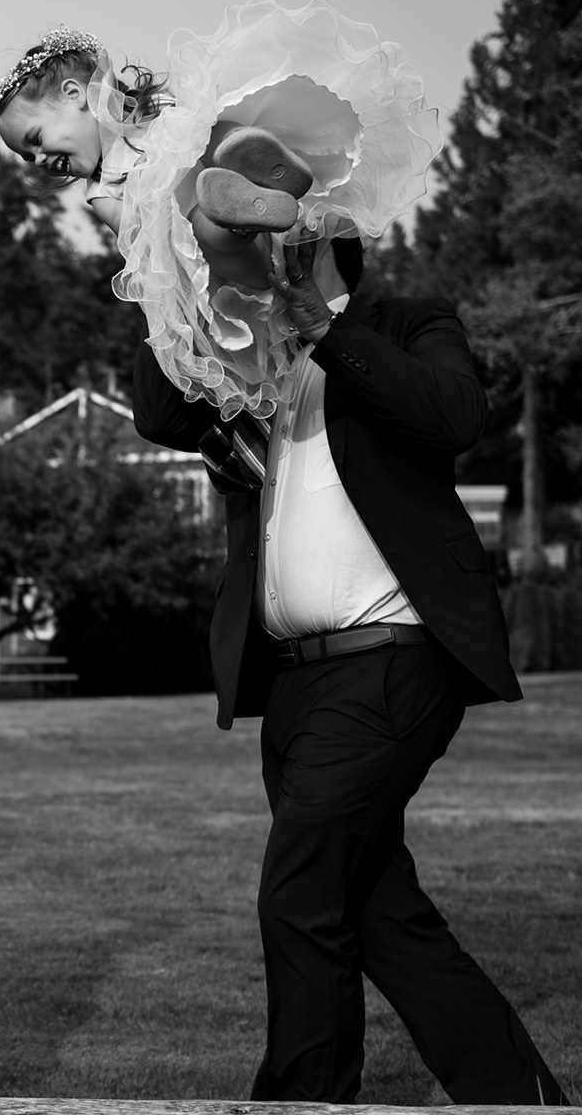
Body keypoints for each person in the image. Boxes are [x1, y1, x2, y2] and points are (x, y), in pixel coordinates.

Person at [130, 232, 570, 1105]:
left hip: (391, 662)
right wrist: (160, 277)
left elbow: (454, 416)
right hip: (293, 684)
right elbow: (160, 417)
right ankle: (520, 1101)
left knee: (297, 899)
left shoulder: (409, 325)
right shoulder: (246, 358)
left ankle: (302, 1102)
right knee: (381, 917)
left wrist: (320, 325)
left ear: (308, 237)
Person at [0, 0, 442, 425]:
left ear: (74, 93)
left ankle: (259, 166)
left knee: (210, 120)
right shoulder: (101, 189)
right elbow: (146, 247)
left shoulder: (158, 116)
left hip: (258, 218)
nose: (40, 161)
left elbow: (191, 123)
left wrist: (199, 131)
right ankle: (237, 209)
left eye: (37, 140)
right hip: (214, 261)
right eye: (28, 157)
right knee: (206, 229)